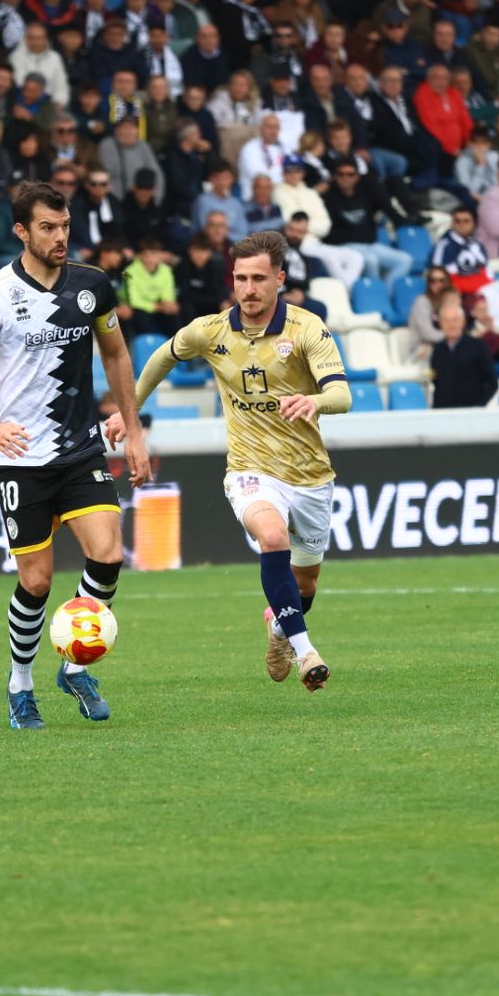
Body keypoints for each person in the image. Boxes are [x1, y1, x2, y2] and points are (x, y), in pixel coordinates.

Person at [0, 180, 150, 729]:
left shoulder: (92, 286)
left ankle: (72, 664)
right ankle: (20, 684)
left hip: (79, 447)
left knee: (108, 554)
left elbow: (115, 354)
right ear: (22, 231)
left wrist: (133, 430)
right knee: (36, 581)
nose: (60, 237)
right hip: (20, 459)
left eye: (64, 226)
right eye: (47, 227)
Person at [114, 228, 345, 691]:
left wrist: (313, 402)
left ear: (280, 278)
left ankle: (280, 627)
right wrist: (129, 409)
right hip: (250, 469)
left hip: (310, 476)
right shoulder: (212, 330)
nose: (249, 289)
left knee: (305, 588)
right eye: (241, 278)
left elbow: (341, 393)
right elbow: (163, 356)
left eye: (259, 278)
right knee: (273, 535)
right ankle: (306, 653)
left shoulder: (306, 328)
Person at [429, 301, 497, 408]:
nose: (451, 324)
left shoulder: (479, 347)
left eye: (455, 319)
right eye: (447, 320)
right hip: (442, 414)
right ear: (440, 324)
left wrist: (478, 407)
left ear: (463, 321)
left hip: (471, 415)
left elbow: (492, 383)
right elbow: (434, 379)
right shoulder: (437, 350)